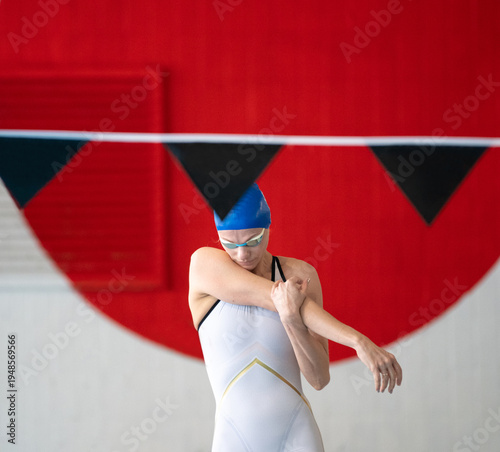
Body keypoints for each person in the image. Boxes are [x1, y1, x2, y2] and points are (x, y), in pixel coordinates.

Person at [189, 183, 402, 452]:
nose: (242, 254)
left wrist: (292, 322)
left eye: (253, 240)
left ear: (268, 227)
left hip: (297, 432)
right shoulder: (204, 265)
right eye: (230, 244)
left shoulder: (299, 272)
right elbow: (276, 297)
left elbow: (319, 379)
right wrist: (358, 341)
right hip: (234, 437)